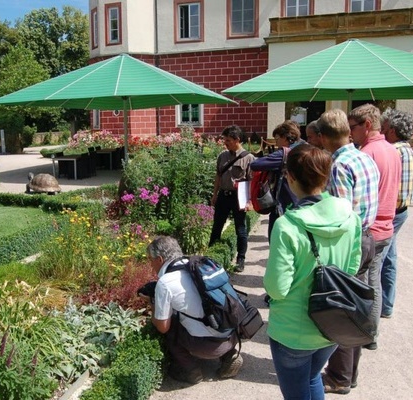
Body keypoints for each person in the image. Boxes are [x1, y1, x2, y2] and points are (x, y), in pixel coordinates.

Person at [264, 144, 362, 400]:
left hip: (293, 331)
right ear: (326, 177)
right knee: (311, 378)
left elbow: (277, 288)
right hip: (332, 324)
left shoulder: (287, 226)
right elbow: (351, 269)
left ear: (291, 177)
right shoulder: (350, 217)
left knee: (297, 391)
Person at [321, 105, 401, 394]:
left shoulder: (341, 163)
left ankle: (339, 377)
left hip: (352, 240)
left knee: (342, 310)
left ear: (325, 136)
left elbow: (341, 214)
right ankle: (347, 374)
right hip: (369, 235)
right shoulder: (362, 155)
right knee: (356, 306)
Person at [141, 236, 244, 384]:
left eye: (150, 259)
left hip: (207, 347)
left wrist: (153, 303)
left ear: (160, 259)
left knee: (170, 326)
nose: (151, 265)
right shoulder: (199, 265)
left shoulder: (165, 282)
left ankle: (190, 370)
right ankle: (229, 356)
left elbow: (162, 327)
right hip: (233, 333)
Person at [379, 108, 413, 318]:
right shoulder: (409, 150)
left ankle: (376, 308)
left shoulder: (393, 151)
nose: (382, 133)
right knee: (390, 258)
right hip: (402, 211)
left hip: (390, 212)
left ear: (392, 131)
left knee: (377, 260)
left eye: (384, 129)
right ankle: (387, 305)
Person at [209, 125, 255, 272]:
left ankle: (240, 259)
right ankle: (211, 256)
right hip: (224, 195)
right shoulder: (222, 156)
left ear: (237, 140)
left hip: (238, 197)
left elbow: (252, 181)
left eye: (228, 140)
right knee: (217, 225)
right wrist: (215, 194)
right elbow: (218, 176)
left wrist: (249, 201)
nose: (225, 143)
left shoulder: (248, 158)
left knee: (240, 229)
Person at [250, 120, 306, 240]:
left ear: (286, 137)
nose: (276, 142)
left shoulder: (284, 153)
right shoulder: (306, 149)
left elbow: (256, 164)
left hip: (284, 205)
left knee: (278, 241)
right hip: (304, 204)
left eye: (277, 138)